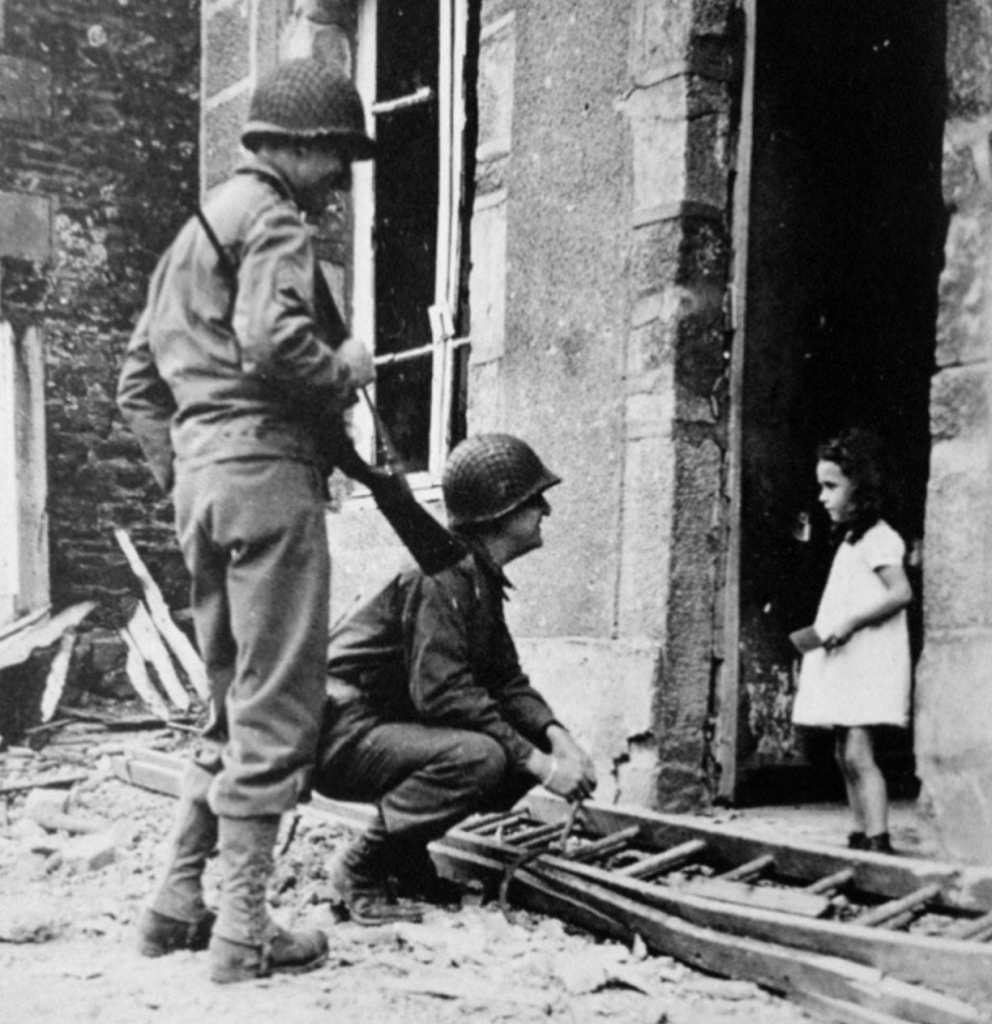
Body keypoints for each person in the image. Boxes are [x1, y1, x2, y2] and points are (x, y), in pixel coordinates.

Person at [116, 58, 377, 983]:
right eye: (338, 155)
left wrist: (190, 472)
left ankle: (174, 907)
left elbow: (137, 382)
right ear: (298, 147)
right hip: (267, 480)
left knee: (228, 701)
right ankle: (245, 933)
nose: (341, 177)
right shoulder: (273, 219)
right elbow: (273, 340)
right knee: (278, 705)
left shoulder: (193, 235)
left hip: (206, 488)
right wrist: (346, 365)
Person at [312, 433, 598, 924]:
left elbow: (505, 682)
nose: (545, 509)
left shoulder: (474, 574)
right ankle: (360, 867)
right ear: (499, 514)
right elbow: (444, 695)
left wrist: (557, 739)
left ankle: (402, 859)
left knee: (511, 748)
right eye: (534, 500)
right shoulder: (440, 575)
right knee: (482, 757)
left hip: (371, 725)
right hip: (334, 730)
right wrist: (543, 767)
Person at [791, 428, 913, 854]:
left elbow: (900, 593)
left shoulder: (879, 538)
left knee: (860, 752)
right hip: (848, 662)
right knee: (845, 754)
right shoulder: (852, 540)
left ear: (859, 487)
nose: (823, 498)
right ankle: (860, 831)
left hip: (866, 662)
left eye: (831, 487)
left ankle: (878, 836)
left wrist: (853, 622)